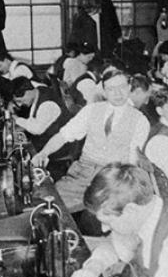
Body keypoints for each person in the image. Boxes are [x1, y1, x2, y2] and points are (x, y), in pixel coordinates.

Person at [31, 70, 150, 220]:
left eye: (121, 87)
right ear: (104, 92)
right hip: (82, 172)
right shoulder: (91, 110)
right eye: (111, 89)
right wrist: (44, 152)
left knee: (98, 217)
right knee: (47, 205)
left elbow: (133, 160)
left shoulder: (140, 120)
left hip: (113, 178)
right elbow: (64, 135)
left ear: (129, 88)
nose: (117, 93)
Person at [9, 77, 75, 179]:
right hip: (44, 146)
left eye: (20, 101)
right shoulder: (38, 91)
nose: (20, 105)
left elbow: (37, 129)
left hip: (57, 155)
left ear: (28, 92)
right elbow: (33, 120)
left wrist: (16, 118)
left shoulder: (48, 104)